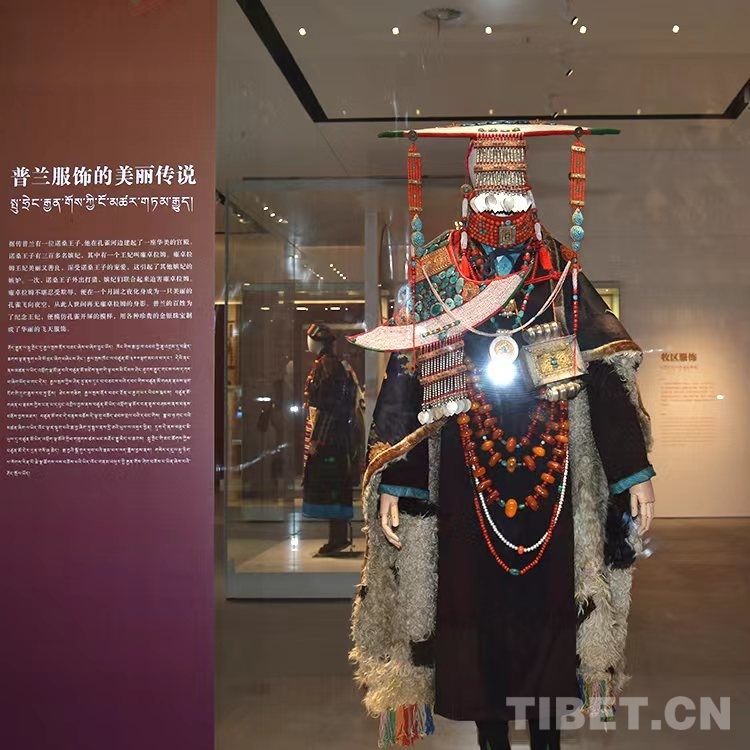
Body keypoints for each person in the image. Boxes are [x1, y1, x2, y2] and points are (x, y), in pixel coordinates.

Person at [349, 123, 656, 748]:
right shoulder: (437, 278)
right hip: (466, 478)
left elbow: (604, 373)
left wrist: (632, 470)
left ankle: (546, 738)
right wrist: (400, 479)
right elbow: (407, 378)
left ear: (532, 199)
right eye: (490, 197)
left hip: (554, 475)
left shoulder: (559, 272)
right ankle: (491, 737)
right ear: (468, 199)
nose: (503, 210)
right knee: (474, 617)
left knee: (551, 615)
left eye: (514, 197)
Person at [302, 323, 359, 555]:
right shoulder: (330, 365)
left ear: (317, 341)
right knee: (334, 484)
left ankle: (338, 538)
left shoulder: (328, 366)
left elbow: (328, 406)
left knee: (332, 485)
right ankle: (337, 537)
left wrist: (318, 438)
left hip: (330, 438)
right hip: (333, 435)